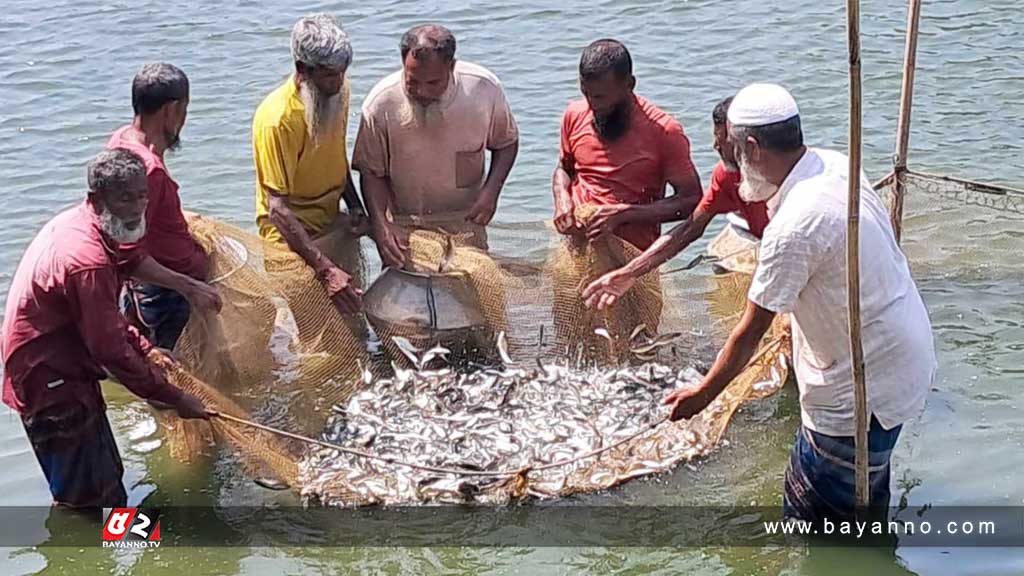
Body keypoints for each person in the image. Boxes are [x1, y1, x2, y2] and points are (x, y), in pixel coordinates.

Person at [585, 83, 935, 523]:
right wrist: (630, 272)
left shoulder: (794, 224)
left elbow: (749, 332)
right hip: (903, 356)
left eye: (731, 147)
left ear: (751, 146)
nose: (725, 157)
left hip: (860, 391)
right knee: (865, 496)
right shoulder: (836, 165)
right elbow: (695, 228)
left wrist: (703, 395)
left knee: (814, 517)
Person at [1, 149, 212, 509]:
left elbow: (107, 323)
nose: (136, 207)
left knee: (100, 477)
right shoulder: (88, 262)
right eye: (124, 198)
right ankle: (104, 548)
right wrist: (173, 398)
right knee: (94, 499)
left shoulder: (90, 226)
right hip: (49, 381)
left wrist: (146, 349)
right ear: (96, 200)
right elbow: (109, 351)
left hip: (64, 366)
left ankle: (121, 540)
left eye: (142, 195)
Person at [353, 23, 519, 263]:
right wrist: (382, 226)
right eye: (413, 82)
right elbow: (371, 172)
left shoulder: (484, 89)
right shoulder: (380, 104)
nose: (422, 91)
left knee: (472, 293)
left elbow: (506, 143)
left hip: (466, 223)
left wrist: (492, 191)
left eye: (433, 83)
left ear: (451, 67)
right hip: (406, 227)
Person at [252, 13, 366, 313]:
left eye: (343, 72)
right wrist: (325, 269)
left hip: (330, 222)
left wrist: (355, 205)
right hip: (291, 241)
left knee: (349, 322)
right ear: (303, 69)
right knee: (316, 333)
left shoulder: (339, 93)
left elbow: (336, 155)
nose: (339, 81)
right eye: (330, 75)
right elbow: (277, 208)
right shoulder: (278, 119)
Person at [108, 63, 219, 350]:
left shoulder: (123, 140)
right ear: (170, 111)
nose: (184, 120)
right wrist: (190, 287)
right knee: (172, 372)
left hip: (148, 290)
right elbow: (129, 254)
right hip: (168, 295)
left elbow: (132, 227)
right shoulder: (149, 170)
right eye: (184, 110)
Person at [552, 39, 703, 251]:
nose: (592, 104)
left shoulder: (664, 131)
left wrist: (623, 214)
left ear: (629, 85)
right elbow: (563, 169)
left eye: (601, 97)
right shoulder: (574, 114)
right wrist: (562, 199)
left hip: (632, 260)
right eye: (585, 93)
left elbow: (691, 201)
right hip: (578, 248)